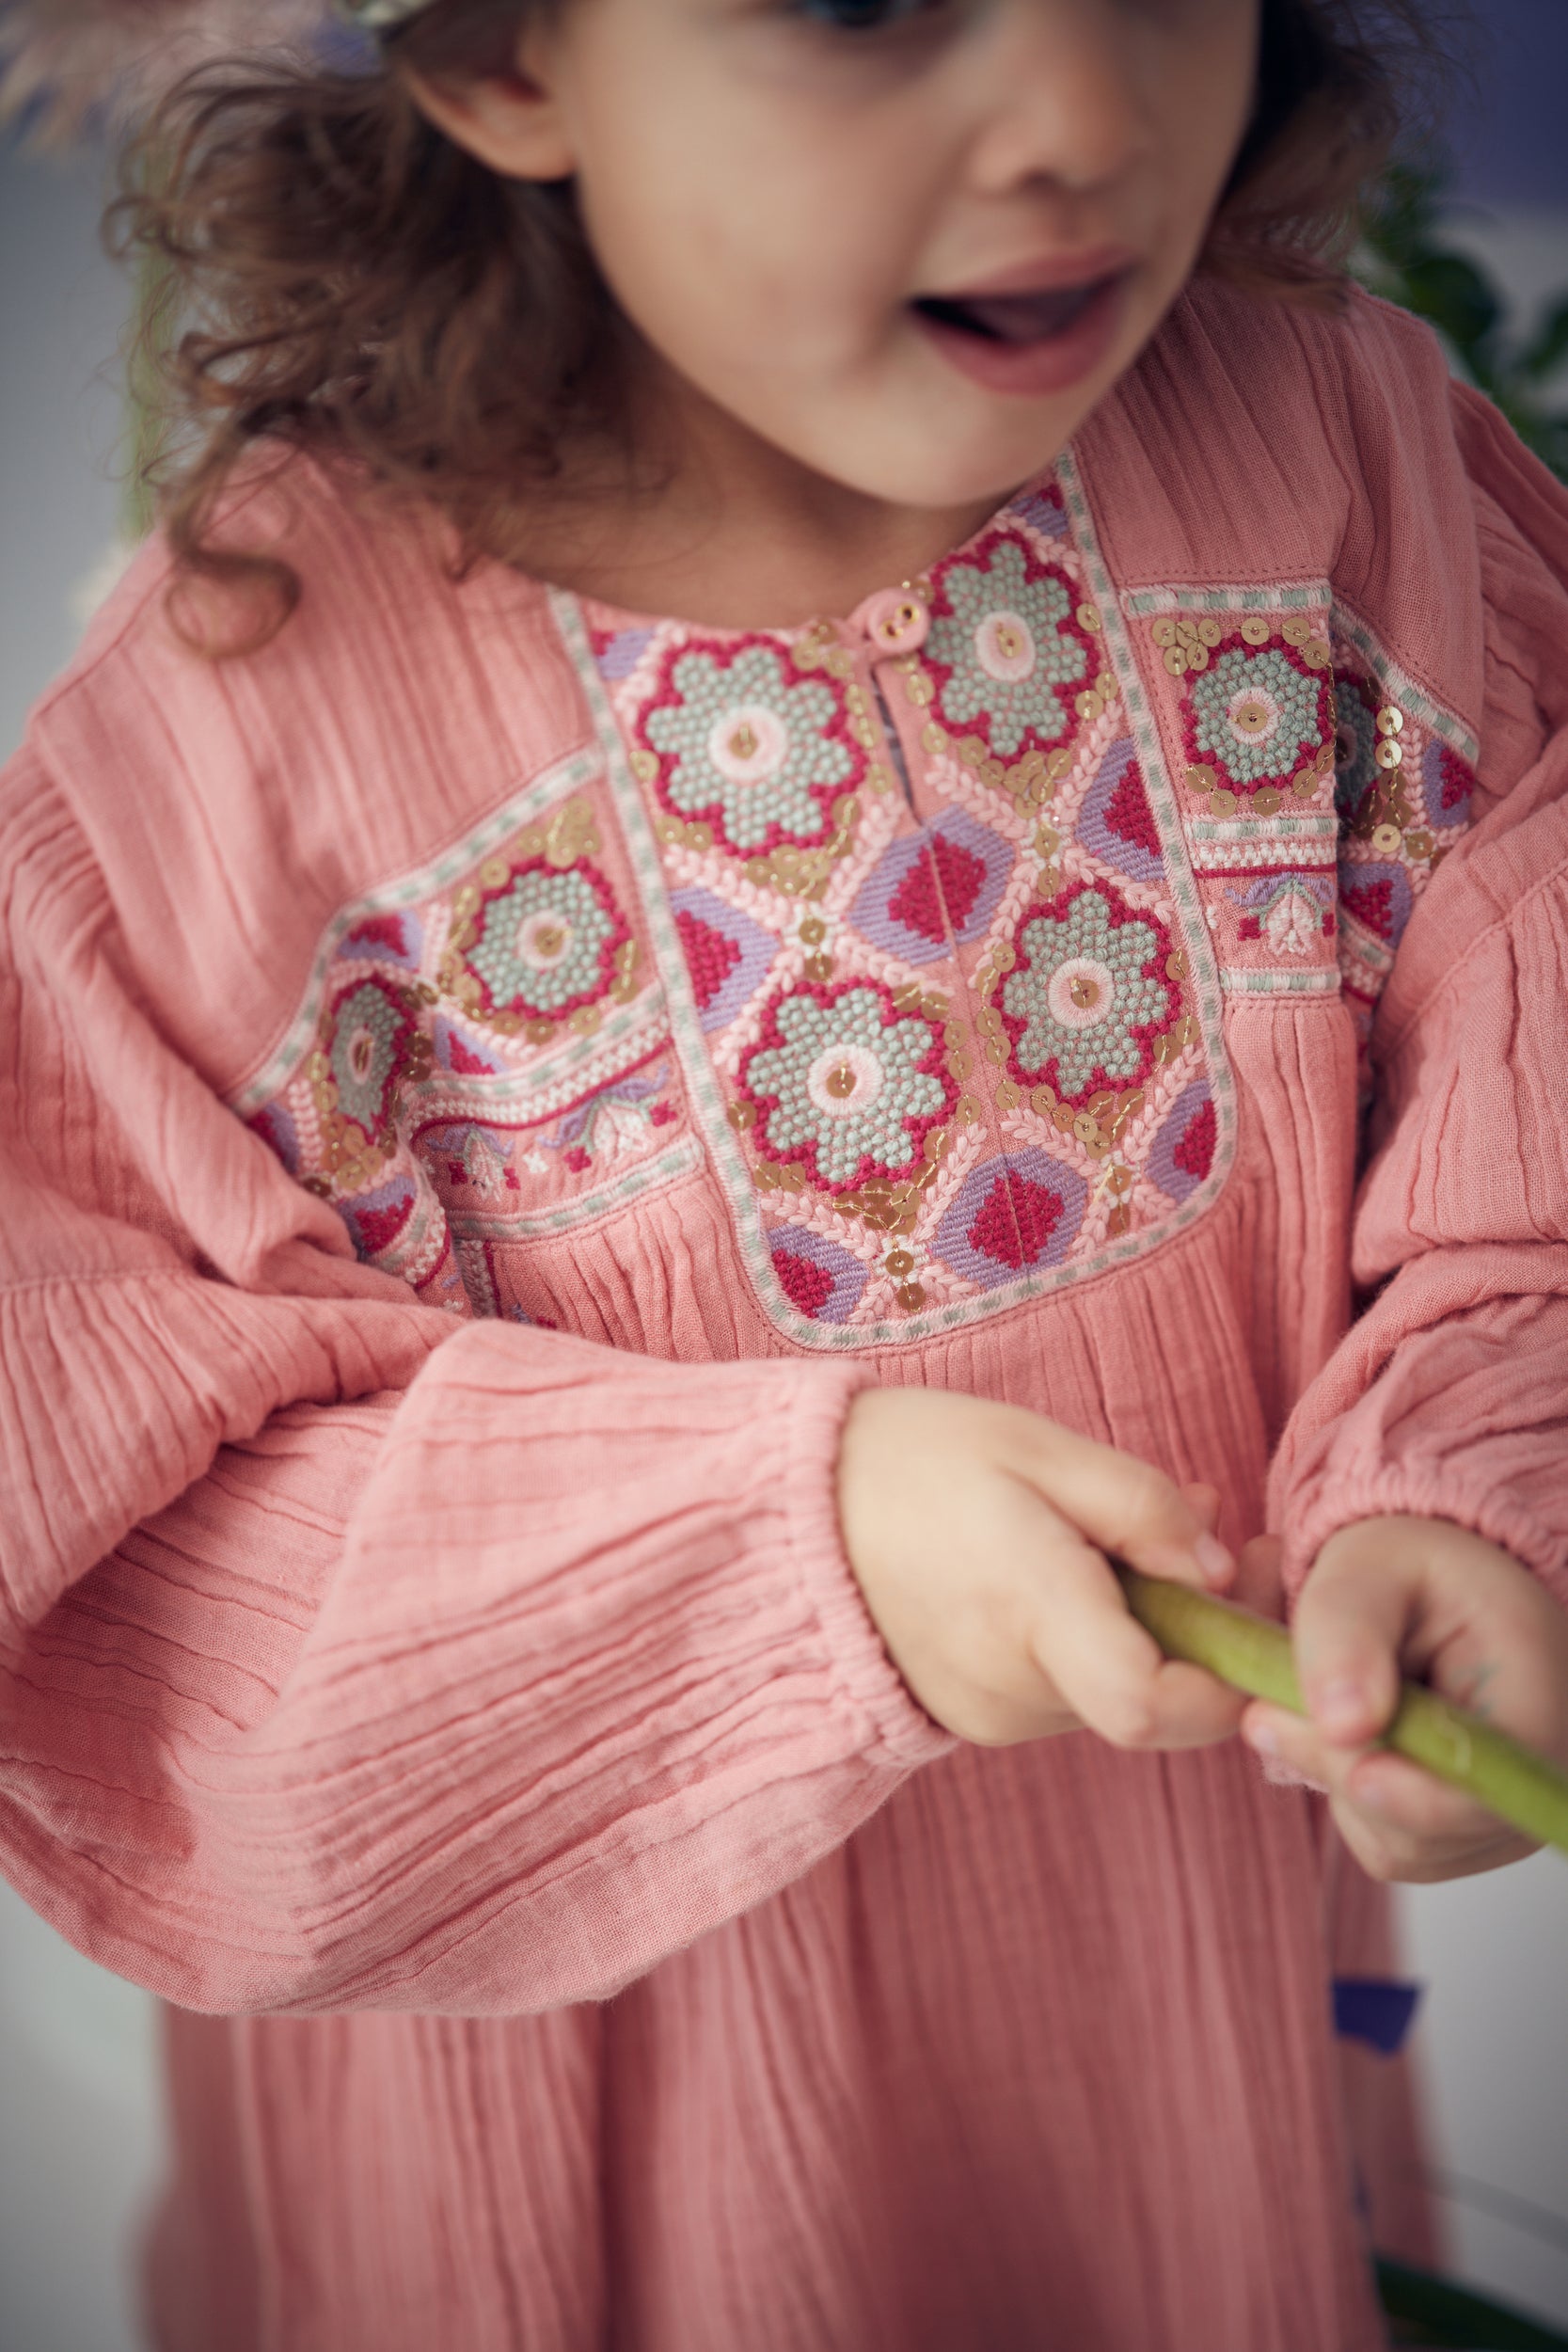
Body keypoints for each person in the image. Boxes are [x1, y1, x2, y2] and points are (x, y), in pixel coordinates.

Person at [2, 0, 1565, 2344]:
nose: (1075, 123)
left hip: (1186, 1982)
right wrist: (778, 1547)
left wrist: (1474, 1455)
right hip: (574, 2113)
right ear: (503, 61)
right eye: (860, 4)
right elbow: (122, 1557)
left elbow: (1529, 1001)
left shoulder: (1338, 450)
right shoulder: (224, 732)